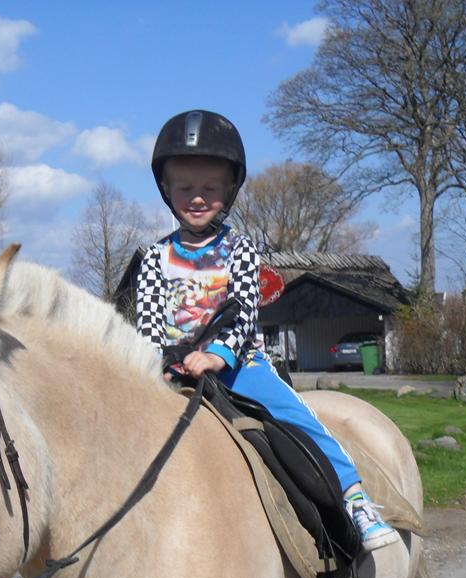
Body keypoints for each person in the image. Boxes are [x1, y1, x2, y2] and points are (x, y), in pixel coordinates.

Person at [136, 109, 398, 553]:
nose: (197, 198)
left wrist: (219, 353)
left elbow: (242, 310)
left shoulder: (240, 249)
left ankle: (354, 498)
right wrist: (157, 364)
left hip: (239, 365)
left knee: (295, 414)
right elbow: (146, 323)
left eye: (209, 189)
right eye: (185, 188)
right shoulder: (152, 258)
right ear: (166, 189)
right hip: (174, 370)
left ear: (229, 191)